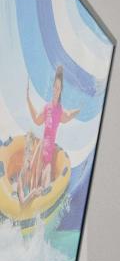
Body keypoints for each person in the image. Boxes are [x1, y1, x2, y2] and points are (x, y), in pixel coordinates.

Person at [19, 65, 80, 203]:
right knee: (32, 186)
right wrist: (28, 99)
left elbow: (69, 115)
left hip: (48, 155)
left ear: (60, 91)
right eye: (55, 87)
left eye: (58, 88)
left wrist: (80, 109)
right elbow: (36, 118)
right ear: (52, 87)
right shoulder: (47, 108)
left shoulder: (60, 111)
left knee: (45, 187)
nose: (56, 90)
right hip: (40, 151)